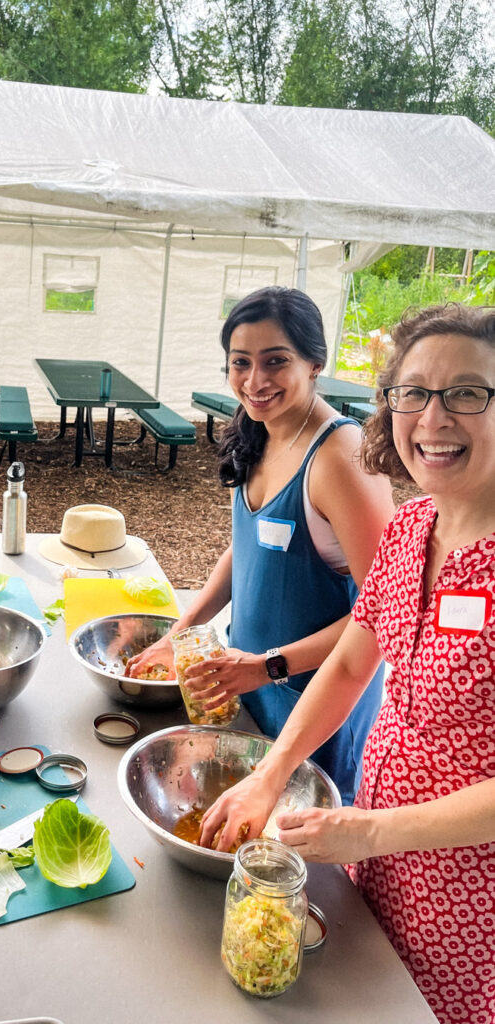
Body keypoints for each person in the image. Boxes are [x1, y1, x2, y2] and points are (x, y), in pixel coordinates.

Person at [199, 303, 495, 1024]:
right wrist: (271, 777)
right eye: (412, 392)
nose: (432, 417)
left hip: (466, 893)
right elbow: (349, 663)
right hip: (370, 842)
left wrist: (368, 831)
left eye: (465, 392)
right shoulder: (413, 528)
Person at [127, 286, 394, 805]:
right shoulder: (261, 432)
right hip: (250, 690)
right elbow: (244, 552)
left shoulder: (341, 456)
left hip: (316, 703)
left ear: (315, 363)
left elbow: (385, 613)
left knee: (296, 854)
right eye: (240, 363)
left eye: (276, 361)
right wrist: (179, 634)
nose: (255, 381)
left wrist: (267, 666)